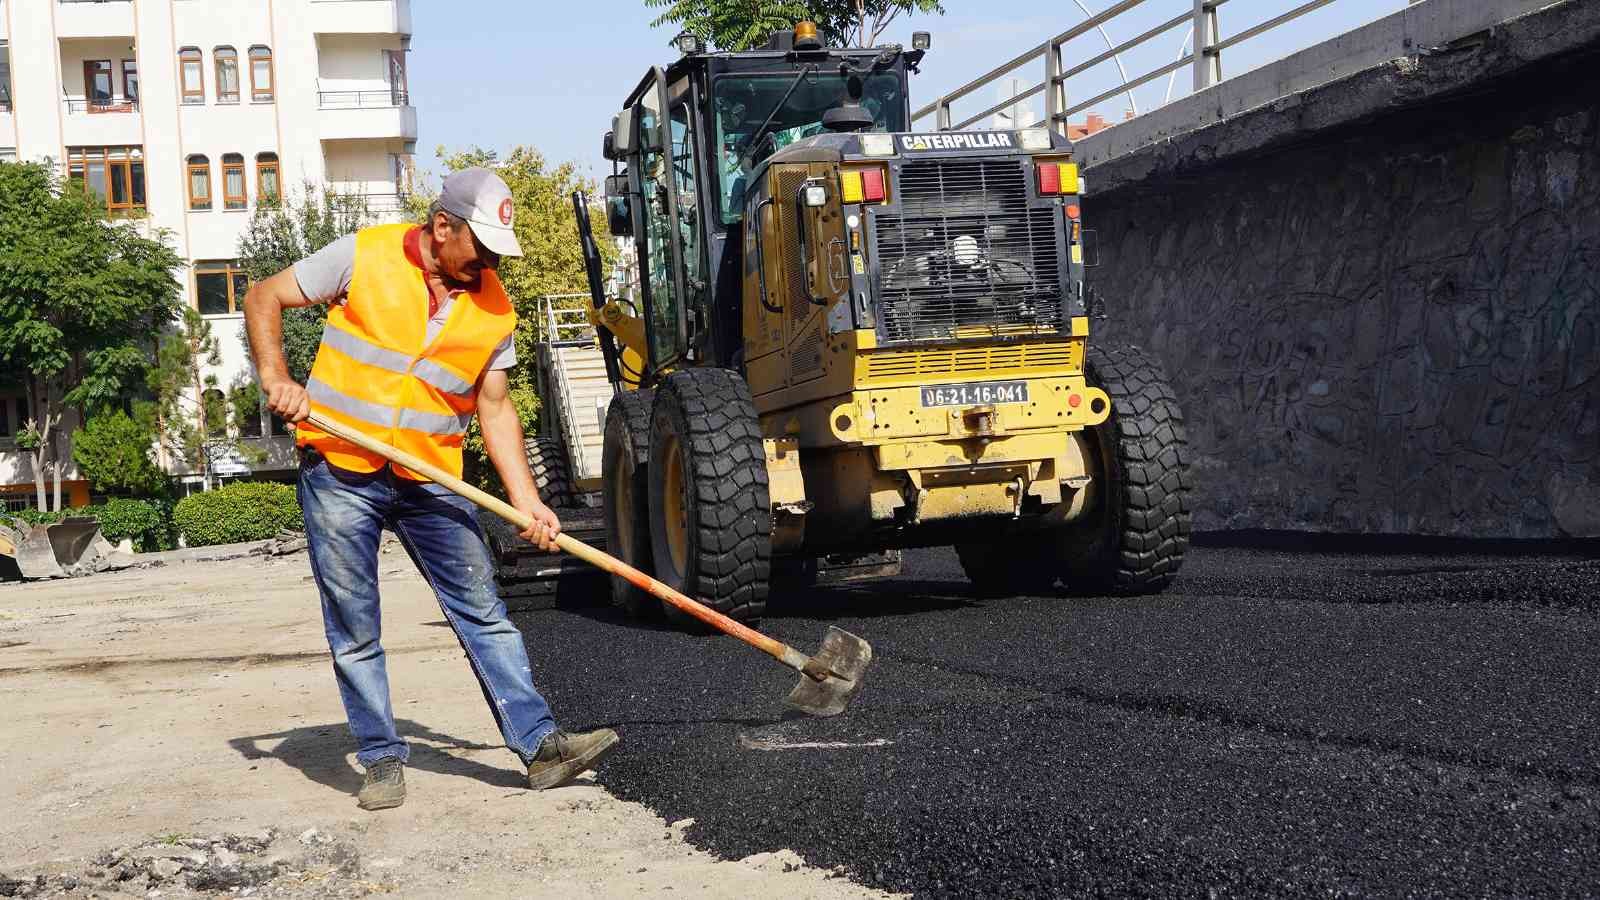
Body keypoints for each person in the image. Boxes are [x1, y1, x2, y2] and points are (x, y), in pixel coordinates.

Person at [242, 167, 618, 811]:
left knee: (483, 611)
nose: (491, 262)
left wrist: (528, 500)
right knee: (355, 624)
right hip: (339, 471)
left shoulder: (495, 307)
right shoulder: (363, 255)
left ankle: (540, 746)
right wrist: (278, 378)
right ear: (443, 226)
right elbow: (261, 297)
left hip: (430, 478)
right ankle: (382, 757)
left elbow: (495, 408)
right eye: (482, 247)